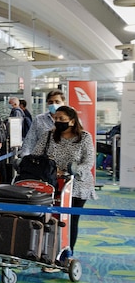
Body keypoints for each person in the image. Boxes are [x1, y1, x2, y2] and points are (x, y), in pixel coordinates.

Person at [32, 106, 96, 268]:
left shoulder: (84, 137)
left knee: (69, 221)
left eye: (62, 119)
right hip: (51, 182)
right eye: (56, 118)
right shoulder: (48, 136)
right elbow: (36, 155)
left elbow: (88, 162)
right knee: (49, 218)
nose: (58, 121)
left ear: (72, 121)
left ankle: (67, 254)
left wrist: (72, 170)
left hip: (77, 185)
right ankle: (46, 253)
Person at [22, 89, 65, 156]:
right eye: (51, 102)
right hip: (43, 161)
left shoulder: (71, 120)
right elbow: (30, 140)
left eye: (57, 102)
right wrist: (25, 157)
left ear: (63, 102)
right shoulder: (39, 119)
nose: (54, 104)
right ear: (47, 103)